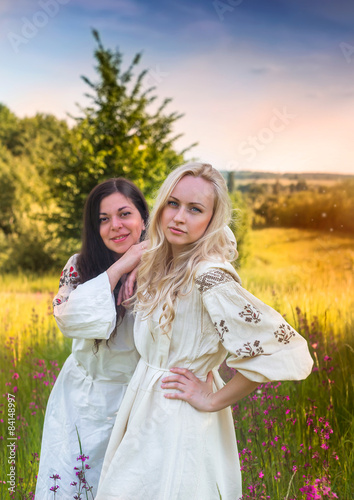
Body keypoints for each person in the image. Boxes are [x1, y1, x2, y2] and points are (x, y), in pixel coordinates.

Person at [95, 162, 314, 500]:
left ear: (212, 220)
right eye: (173, 203)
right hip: (144, 407)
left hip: (180, 414)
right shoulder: (162, 263)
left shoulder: (210, 276)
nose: (180, 217)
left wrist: (212, 399)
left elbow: (280, 349)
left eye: (195, 209)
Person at [35, 178, 149, 499]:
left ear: (143, 217)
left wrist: (152, 250)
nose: (115, 226)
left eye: (125, 214)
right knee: (69, 485)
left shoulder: (164, 266)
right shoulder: (79, 266)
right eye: (103, 219)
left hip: (132, 403)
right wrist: (122, 266)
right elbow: (68, 318)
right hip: (78, 399)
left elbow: (218, 236)